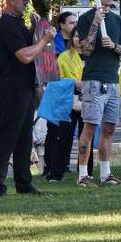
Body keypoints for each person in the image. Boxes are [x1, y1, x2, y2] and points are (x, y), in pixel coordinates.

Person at [0, 0, 55, 196]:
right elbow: (25, 56)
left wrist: (36, 30)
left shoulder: (17, 23)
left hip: (26, 86)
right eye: (23, 1)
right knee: (8, 135)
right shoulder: (6, 24)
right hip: (13, 87)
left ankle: (23, 183)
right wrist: (44, 39)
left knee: (25, 137)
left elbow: (31, 50)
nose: (27, 5)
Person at [75, 0, 121, 187]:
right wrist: (96, 23)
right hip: (93, 79)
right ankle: (82, 175)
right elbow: (86, 50)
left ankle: (106, 173)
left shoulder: (116, 19)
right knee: (90, 126)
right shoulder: (86, 18)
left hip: (112, 79)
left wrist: (114, 46)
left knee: (109, 128)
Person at [46, 27, 94, 181]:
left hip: (89, 99)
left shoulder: (93, 56)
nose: (78, 39)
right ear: (71, 38)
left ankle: (87, 172)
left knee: (87, 137)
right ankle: (55, 174)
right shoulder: (64, 57)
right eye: (76, 36)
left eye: (82, 36)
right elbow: (56, 79)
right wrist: (73, 82)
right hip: (68, 100)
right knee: (64, 137)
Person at [42, 11, 78, 178]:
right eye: (70, 23)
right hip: (57, 90)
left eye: (75, 22)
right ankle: (49, 165)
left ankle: (64, 165)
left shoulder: (77, 42)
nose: (73, 25)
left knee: (67, 130)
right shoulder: (54, 43)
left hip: (73, 91)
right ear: (62, 25)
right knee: (53, 129)